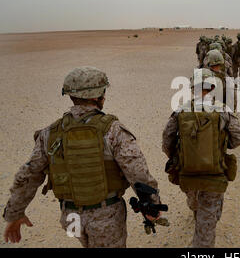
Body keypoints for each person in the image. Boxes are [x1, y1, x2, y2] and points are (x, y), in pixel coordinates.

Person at [2, 67, 162, 248]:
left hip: (70, 218)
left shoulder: (50, 133)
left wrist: (15, 214)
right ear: (97, 96)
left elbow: (28, 175)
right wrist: (152, 205)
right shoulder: (113, 130)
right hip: (106, 217)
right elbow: (137, 171)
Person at [162, 68, 240, 247]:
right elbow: (238, 138)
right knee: (208, 217)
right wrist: (221, 146)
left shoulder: (180, 111)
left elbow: (167, 141)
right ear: (212, 87)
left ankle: (196, 212)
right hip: (214, 174)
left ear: (192, 87)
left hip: (187, 173)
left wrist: (184, 157)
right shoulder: (223, 110)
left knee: (194, 200)